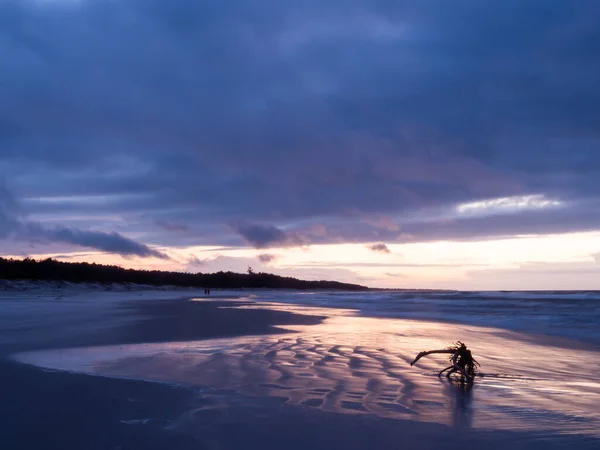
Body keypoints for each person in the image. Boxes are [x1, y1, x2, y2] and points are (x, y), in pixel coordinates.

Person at [410, 342, 479, 382]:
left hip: (463, 358)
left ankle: (466, 375)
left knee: (457, 367)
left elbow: (456, 362)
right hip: (462, 358)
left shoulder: (463, 353)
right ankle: (466, 375)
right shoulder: (460, 352)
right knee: (457, 367)